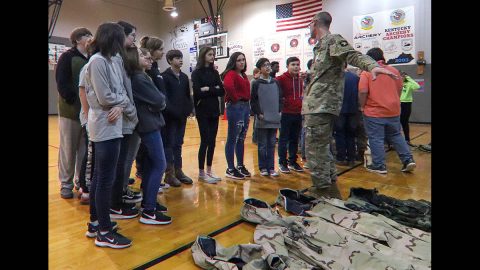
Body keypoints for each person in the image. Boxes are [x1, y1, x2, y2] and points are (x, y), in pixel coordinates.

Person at [303, 11, 398, 190]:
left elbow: (353, 55)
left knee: (315, 150)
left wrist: (373, 67)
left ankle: (322, 190)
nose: (309, 28)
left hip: (321, 106)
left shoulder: (332, 40)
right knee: (322, 148)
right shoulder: (321, 46)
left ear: (314, 22)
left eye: (309, 24)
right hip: (317, 105)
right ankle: (328, 187)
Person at [84, 22, 137, 248]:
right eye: (119, 39)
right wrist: (122, 102)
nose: (123, 45)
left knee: (100, 176)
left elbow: (120, 93)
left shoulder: (109, 61)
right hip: (105, 125)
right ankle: (104, 232)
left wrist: (121, 101)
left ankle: (96, 222)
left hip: (111, 123)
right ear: (111, 39)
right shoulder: (97, 62)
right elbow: (106, 98)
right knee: (105, 178)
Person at [127, 47, 172, 224]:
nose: (148, 57)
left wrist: (156, 103)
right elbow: (160, 100)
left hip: (149, 122)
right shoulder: (138, 78)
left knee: (149, 164)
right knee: (159, 164)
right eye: (142, 55)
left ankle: (148, 201)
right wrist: (156, 103)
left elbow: (159, 100)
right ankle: (149, 211)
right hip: (148, 125)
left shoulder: (143, 76)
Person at [359, 47, 416, 174]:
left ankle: (379, 165)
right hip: (394, 110)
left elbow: (363, 91)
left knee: (376, 138)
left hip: (374, 112)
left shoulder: (367, 72)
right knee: (396, 135)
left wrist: (362, 106)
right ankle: (408, 159)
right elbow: (400, 89)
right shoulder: (394, 70)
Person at [55, 27, 92, 199]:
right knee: (68, 150)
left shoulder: (92, 57)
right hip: (70, 111)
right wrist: (73, 99)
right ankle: (66, 184)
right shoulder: (67, 56)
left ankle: (80, 181)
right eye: (86, 35)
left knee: (84, 150)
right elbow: (61, 82)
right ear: (78, 39)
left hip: (87, 113)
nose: (90, 38)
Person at [138, 36, 170, 192]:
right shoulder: (144, 75)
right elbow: (156, 98)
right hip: (149, 120)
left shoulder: (154, 69)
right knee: (155, 159)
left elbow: (160, 96)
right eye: (161, 49)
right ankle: (148, 189)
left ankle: (151, 183)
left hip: (156, 117)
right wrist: (160, 102)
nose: (163, 52)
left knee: (157, 159)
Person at [191, 46, 225, 183]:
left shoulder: (215, 72)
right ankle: (201, 172)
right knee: (205, 141)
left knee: (212, 142)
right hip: (202, 111)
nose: (212, 57)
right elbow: (198, 93)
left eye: (213, 54)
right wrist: (213, 89)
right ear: (203, 55)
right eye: (210, 54)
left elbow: (221, 91)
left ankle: (209, 170)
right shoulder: (197, 73)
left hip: (214, 110)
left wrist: (207, 89)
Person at [161, 50, 194, 186]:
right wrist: (173, 112)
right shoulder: (164, 76)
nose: (180, 60)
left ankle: (178, 170)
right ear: (170, 60)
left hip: (181, 117)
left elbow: (188, 95)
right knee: (169, 144)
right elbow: (164, 98)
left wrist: (189, 109)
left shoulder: (185, 77)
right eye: (176, 58)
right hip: (170, 118)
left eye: (181, 58)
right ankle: (169, 174)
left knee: (178, 144)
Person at [221, 52, 252, 180]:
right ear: (233, 61)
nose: (241, 62)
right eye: (239, 60)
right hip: (236, 106)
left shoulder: (243, 75)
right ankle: (230, 168)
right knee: (233, 137)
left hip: (245, 107)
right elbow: (228, 86)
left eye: (243, 60)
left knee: (241, 137)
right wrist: (235, 99)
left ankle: (240, 165)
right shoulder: (231, 74)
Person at [250, 58, 283, 177]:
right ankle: (263, 167)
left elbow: (280, 98)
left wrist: (279, 110)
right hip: (263, 117)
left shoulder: (275, 82)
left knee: (272, 143)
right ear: (260, 69)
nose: (267, 67)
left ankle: (271, 167)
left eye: (268, 65)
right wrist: (258, 113)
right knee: (262, 144)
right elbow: (253, 101)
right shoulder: (256, 83)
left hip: (274, 117)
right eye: (264, 65)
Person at [276, 57, 304, 174]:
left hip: (298, 113)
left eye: (297, 64)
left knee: (294, 139)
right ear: (287, 66)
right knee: (283, 139)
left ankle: (292, 161)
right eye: (293, 64)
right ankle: (282, 162)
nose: (296, 67)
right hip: (285, 113)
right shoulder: (281, 79)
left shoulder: (300, 79)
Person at [334, 63, 360, 166]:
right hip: (353, 110)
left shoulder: (335, 78)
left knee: (339, 134)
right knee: (351, 134)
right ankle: (351, 157)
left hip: (339, 110)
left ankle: (341, 157)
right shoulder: (355, 78)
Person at [400, 71, 420, 146]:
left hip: (407, 104)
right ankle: (396, 141)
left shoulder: (409, 84)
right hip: (398, 103)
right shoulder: (397, 83)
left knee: (404, 122)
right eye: (401, 76)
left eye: (403, 76)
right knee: (396, 122)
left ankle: (407, 140)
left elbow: (417, 86)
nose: (402, 77)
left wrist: (408, 78)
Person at [251, 67, 261, 144]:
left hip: (260, 104)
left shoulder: (259, 81)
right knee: (256, 122)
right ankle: (255, 138)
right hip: (256, 104)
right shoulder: (253, 82)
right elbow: (252, 94)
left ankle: (257, 138)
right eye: (259, 73)